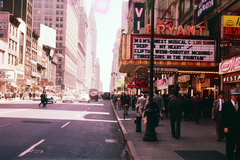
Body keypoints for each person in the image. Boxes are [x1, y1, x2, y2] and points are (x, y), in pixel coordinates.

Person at [221, 87, 240, 160]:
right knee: (230, 145)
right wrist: (225, 127)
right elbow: (223, 117)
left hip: (239, 128)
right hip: (230, 129)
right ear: (231, 96)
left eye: (237, 95)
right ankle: (230, 157)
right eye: (234, 95)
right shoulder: (226, 105)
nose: (236, 96)